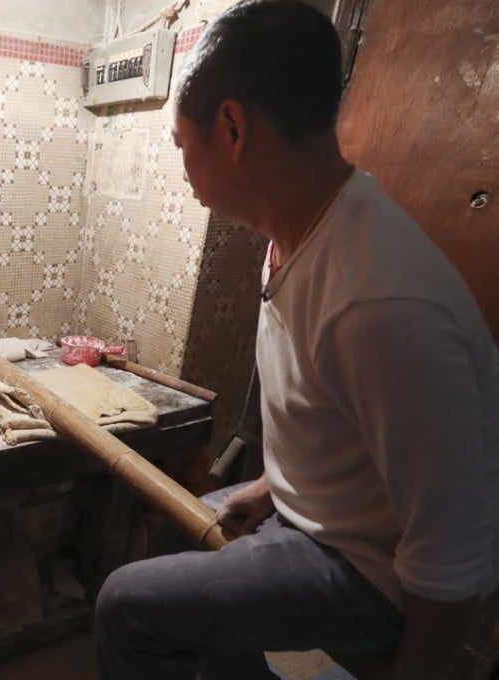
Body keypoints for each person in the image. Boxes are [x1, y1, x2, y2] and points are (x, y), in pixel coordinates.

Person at [94, 1, 499, 679]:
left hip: (373, 575)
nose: (183, 166)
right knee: (174, 529)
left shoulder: (379, 303)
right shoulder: (298, 234)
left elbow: (452, 549)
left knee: (125, 605)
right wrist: (272, 488)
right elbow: (334, 428)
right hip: (318, 522)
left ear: (231, 129)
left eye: (180, 144)